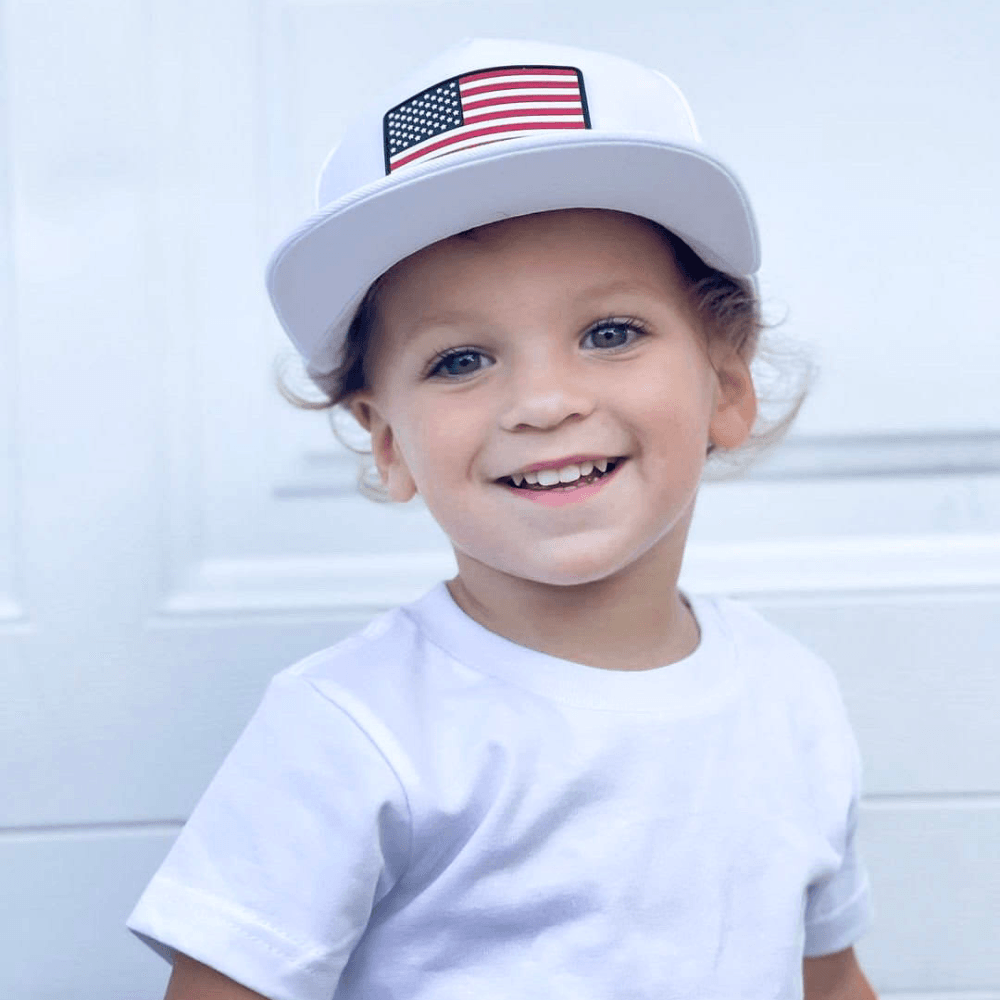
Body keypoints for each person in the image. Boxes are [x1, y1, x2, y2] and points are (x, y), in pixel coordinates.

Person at [127, 37, 878, 1000]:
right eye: (459, 360)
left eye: (610, 333)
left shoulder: (792, 698)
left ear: (728, 390)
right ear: (389, 442)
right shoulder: (351, 729)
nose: (544, 401)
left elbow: (831, 979)